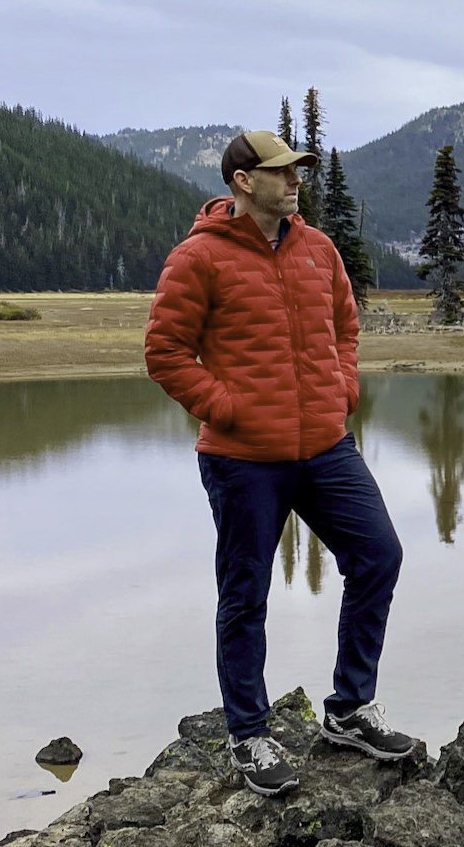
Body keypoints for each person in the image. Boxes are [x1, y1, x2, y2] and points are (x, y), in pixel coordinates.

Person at [145, 130, 415, 797]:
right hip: (243, 459)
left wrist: (343, 389)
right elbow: (165, 352)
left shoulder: (319, 250)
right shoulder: (198, 258)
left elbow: (346, 328)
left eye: (298, 171)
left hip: (326, 448)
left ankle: (350, 709)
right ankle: (249, 736)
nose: (295, 181)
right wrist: (227, 407)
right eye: (281, 172)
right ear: (243, 181)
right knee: (246, 597)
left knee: (379, 556)